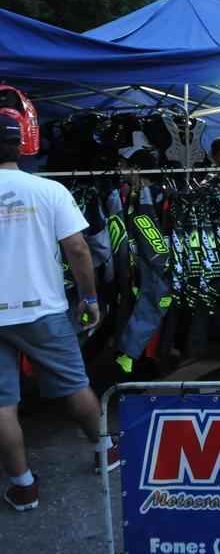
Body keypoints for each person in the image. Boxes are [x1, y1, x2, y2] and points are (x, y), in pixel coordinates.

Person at [0, 118, 117, 512]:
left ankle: (23, 486)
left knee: (1, 404)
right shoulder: (49, 190)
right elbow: (79, 249)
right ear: (22, 146)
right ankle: (104, 451)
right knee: (74, 385)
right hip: (42, 309)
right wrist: (89, 297)